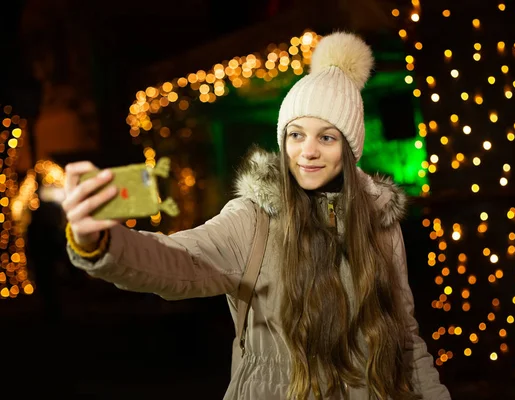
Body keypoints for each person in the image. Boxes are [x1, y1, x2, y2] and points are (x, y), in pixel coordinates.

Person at [61, 32, 451, 400]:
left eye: (326, 137)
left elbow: (406, 341)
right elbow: (177, 262)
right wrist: (99, 242)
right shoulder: (254, 218)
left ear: (350, 148)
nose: (307, 151)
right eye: (296, 135)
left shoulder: (380, 223)